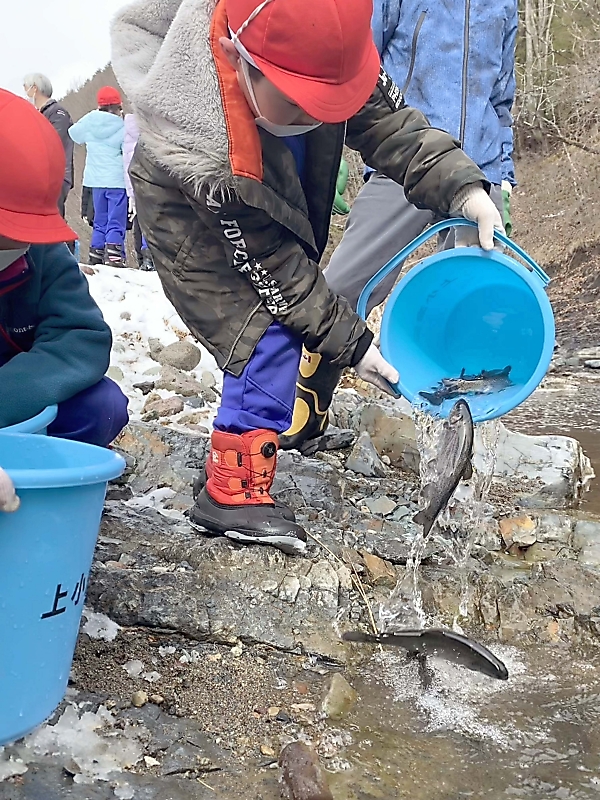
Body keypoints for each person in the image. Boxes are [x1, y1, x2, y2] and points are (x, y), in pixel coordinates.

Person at [111, 0, 502, 555]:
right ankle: (230, 491)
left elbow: (391, 125)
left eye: (331, 105)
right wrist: (353, 346)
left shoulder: (326, 51)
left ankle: (245, 450)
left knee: (288, 316)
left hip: (268, 165)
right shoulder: (203, 134)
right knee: (262, 331)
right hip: (192, 220)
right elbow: (278, 273)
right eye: (301, 103)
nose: (318, 115)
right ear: (238, 57)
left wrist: (463, 187)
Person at [281, 0, 518, 453]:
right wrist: (331, 148)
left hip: (479, 170)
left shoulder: (505, 5)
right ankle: (305, 407)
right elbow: (356, 68)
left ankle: (461, 439)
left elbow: (501, 98)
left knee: (473, 305)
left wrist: (502, 176)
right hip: (405, 160)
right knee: (343, 285)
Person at [0, 89, 129, 449]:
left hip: (14, 390)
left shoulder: (43, 251)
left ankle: (26, 459)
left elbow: (81, 337)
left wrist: (7, 397)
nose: (16, 244)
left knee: (101, 406)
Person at [68, 87, 128, 267]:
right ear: (119, 106)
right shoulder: (123, 126)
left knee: (100, 221)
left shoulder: (90, 122)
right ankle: (114, 257)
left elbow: (74, 133)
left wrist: (90, 117)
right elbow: (127, 154)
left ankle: (96, 255)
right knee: (116, 220)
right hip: (117, 181)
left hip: (95, 182)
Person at [23, 73, 75, 223]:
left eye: (26, 87)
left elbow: (53, 142)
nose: (25, 92)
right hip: (42, 176)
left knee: (53, 220)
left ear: (35, 88)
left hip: (56, 176)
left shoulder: (57, 113)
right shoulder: (40, 114)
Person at [123, 114, 155, 271]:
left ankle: (143, 258)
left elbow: (125, 166)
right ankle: (149, 256)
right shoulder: (152, 133)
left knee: (139, 222)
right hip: (151, 182)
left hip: (133, 183)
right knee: (152, 221)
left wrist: (130, 192)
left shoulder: (125, 135)